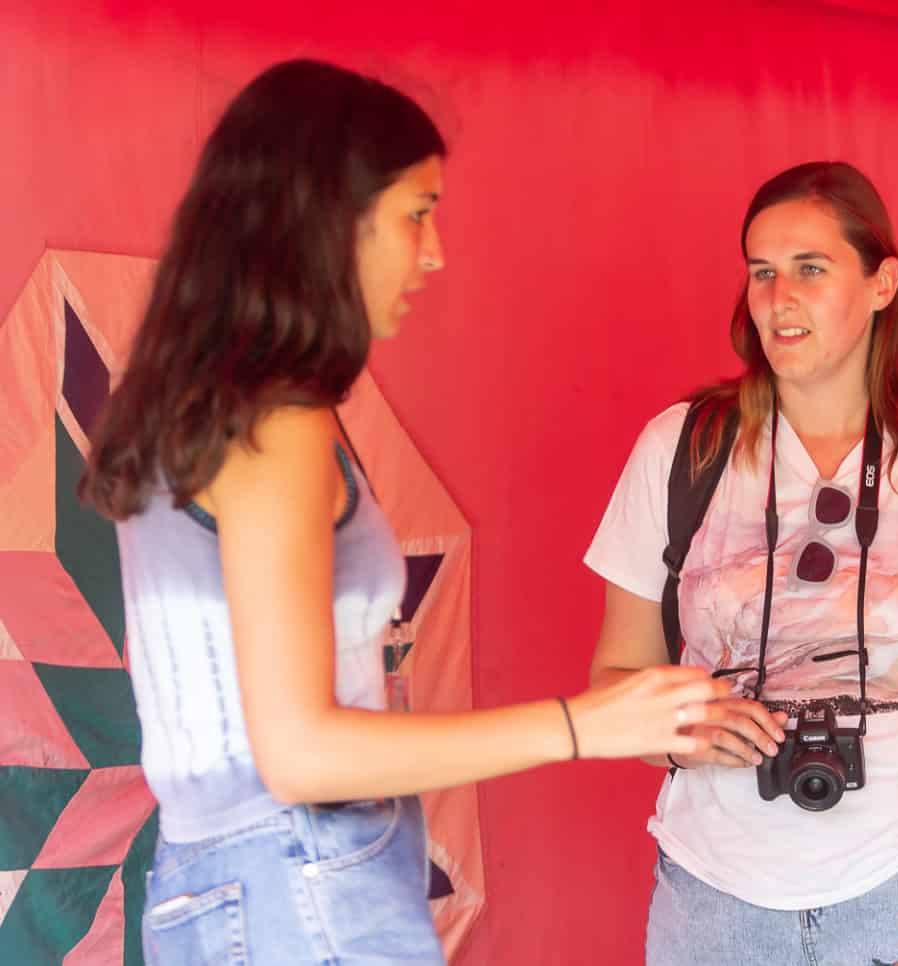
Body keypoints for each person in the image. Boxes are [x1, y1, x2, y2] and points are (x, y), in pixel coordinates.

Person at [80, 59, 727, 965]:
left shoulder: (195, 407)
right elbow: (299, 756)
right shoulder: (277, 423)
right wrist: (585, 725)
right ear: (323, 220)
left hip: (220, 884)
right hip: (300, 879)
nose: (436, 251)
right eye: (417, 212)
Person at [584, 160, 898, 965]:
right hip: (716, 896)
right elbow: (615, 677)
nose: (780, 297)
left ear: (884, 284)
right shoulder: (682, 447)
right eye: (762, 273)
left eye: (811, 268)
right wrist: (682, 737)